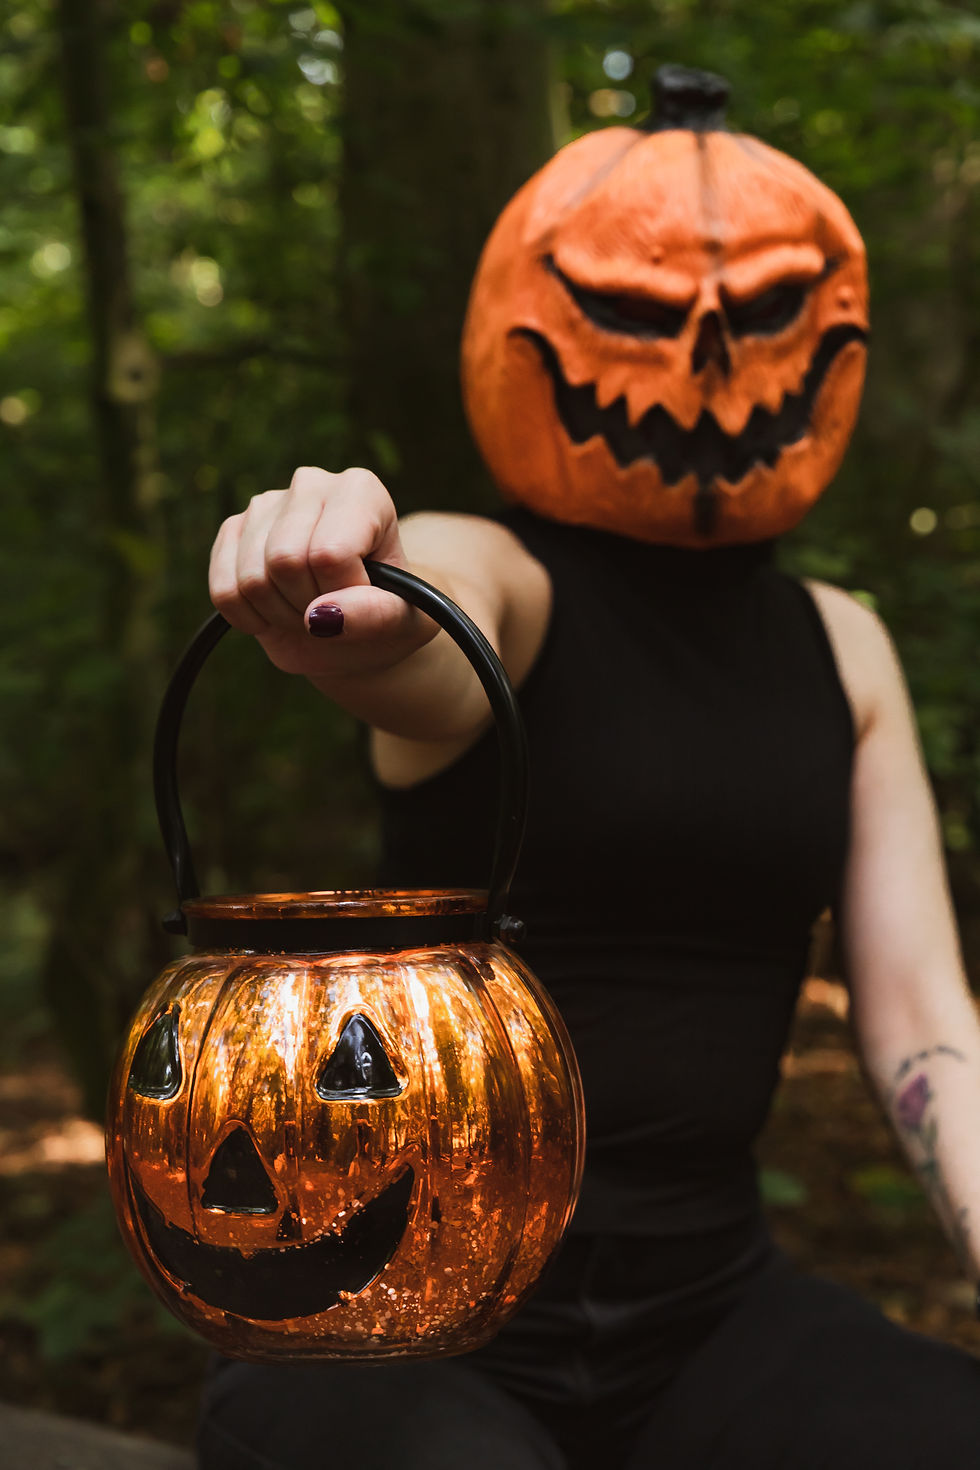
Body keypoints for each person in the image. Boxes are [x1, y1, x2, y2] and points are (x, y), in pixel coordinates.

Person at [197, 67, 980, 1470]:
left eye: (760, 317)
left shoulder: (845, 645)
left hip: (716, 1315)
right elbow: (419, 633)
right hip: (406, 1311)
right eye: (630, 311)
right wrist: (344, 601)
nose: (707, 353)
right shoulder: (501, 572)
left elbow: (928, 1024)